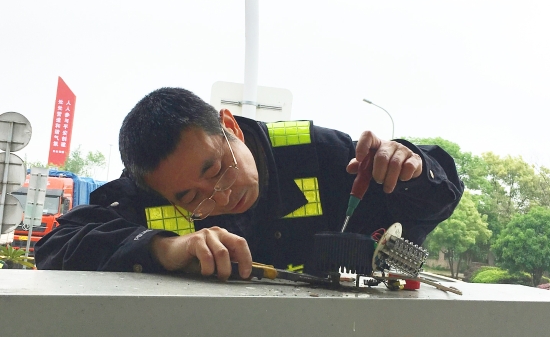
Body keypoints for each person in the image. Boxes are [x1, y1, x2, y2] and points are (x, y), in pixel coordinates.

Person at [35, 87, 464, 279]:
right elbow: (55, 247)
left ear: (231, 127)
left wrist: (412, 169)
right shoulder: (149, 191)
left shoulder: (315, 152)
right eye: (192, 198)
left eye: (216, 169)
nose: (220, 195)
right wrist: (166, 248)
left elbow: (438, 200)